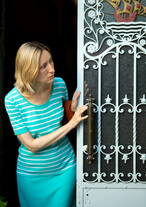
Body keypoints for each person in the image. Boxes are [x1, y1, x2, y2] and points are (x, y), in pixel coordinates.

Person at [4, 41, 88, 207]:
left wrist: (72, 108)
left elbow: (61, 122)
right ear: (29, 70)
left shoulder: (59, 84)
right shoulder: (12, 100)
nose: (52, 69)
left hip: (64, 168)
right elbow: (32, 145)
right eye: (43, 66)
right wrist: (72, 123)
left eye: (51, 61)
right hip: (31, 176)